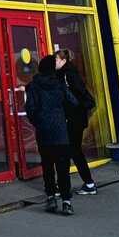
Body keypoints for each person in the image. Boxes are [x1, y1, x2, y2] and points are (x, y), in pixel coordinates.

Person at [25, 55, 77, 216]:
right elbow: (73, 102)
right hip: (61, 132)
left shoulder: (33, 86)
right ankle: (66, 201)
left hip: (44, 132)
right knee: (63, 168)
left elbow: (30, 108)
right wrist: (63, 116)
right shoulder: (59, 83)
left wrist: (39, 122)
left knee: (47, 167)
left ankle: (50, 197)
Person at [55, 49, 98, 195]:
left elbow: (81, 96)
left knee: (68, 151)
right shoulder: (65, 73)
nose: (54, 62)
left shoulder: (68, 74)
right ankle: (88, 184)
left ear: (63, 60)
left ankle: (65, 186)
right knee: (73, 151)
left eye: (56, 59)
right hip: (74, 119)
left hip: (73, 120)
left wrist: (72, 111)